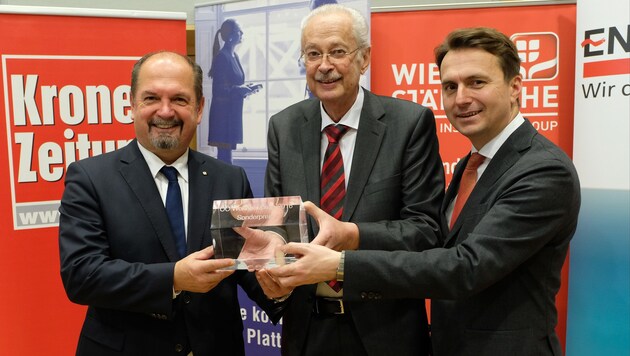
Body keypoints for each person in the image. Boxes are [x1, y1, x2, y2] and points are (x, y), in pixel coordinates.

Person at [267, 27, 581, 356]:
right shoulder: (473, 163)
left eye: (477, 82)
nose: (461, 98)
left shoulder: (544, 170)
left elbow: (465, 267)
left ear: (515, 86)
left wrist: (340, 264)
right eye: (450, 86)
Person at [58, 51, 281, 356]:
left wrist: (280, 288)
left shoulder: (229, 178)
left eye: (179, 99)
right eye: (151, 98)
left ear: (199, 108)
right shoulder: (90, 178)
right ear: (132, 104)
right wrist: (174, 278)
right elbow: (82, 275)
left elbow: (247, 265)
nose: (165, 111)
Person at [258, 4, 444, 356]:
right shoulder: (283, 127)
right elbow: (277, 228)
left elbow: (426, 231)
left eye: (338, 52)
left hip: (386, 331)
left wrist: (353, 235)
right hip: (307, 332)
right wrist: (268, 270)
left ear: (364, 59)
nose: (324, 65)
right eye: (313, 54)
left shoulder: (409, 124)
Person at [207, 19, 261, 163]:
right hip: (223, 115)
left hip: (231, 112)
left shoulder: (233, 56)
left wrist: (247, 88)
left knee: (227, 156)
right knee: (224, 157)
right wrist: (239, 89)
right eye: (238, 30)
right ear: (231, 36)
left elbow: (233, 84)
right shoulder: (222, 57)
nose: (242, 33)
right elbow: (219, 90)